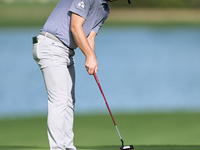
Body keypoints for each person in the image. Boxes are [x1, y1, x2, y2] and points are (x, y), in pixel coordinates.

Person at [32, 0, 118, 150]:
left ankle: (68, 146)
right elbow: (75, 26)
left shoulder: (105, 10)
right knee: (59, 99)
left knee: (69, 100)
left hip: (66, 51)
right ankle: (58, 148)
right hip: (51, 44)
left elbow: (90, 37)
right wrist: (89, 56)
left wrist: (92, 57)